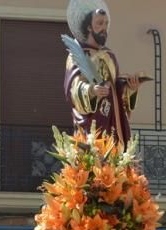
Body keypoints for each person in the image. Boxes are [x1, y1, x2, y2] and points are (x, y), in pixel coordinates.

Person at [63, 0, 145, 145]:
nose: (104, 28)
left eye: (106, 24)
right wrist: (91, 91)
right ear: (88, 27)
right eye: (99, 23)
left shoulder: (109, 56)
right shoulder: (77, 55)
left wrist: (130, 89)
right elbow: (72, 90)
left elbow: (116, 90)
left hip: (113, 123)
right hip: (92, 123)